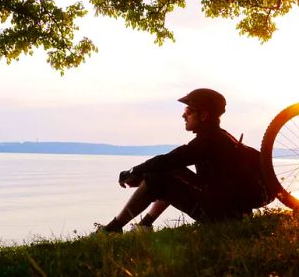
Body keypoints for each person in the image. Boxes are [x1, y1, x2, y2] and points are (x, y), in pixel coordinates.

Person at [95, 88, 257, 234]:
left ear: (204, 115)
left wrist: (133, 172)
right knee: (168, 170)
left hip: (222, 215)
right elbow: (170, 163)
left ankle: (112, 230)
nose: (183, 115)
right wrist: (141, 172)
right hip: (230, 210)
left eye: (188, 110)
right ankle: (144, 225)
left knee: (155, 178)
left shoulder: (208, 141)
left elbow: (168, 159)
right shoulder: (220, 136)